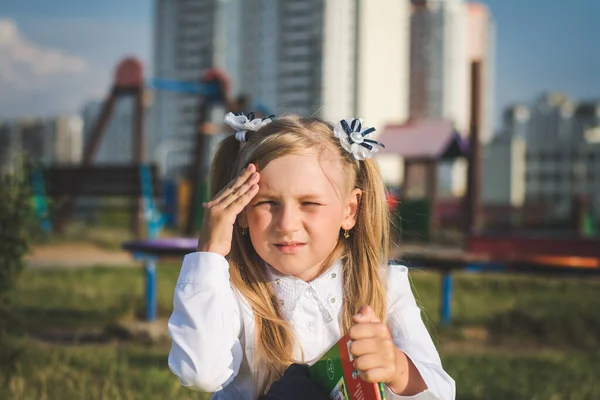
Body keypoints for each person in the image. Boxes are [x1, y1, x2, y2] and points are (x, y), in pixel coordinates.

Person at [168, 112, 456, 400]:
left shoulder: (384, 286)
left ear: (350, 210)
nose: (287, 224)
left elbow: (441, 393)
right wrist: (209, 253)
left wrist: (396, 368)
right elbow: (199, 373)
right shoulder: (232, 291)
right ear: (241, 210)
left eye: (309, 203)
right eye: (268, 203)